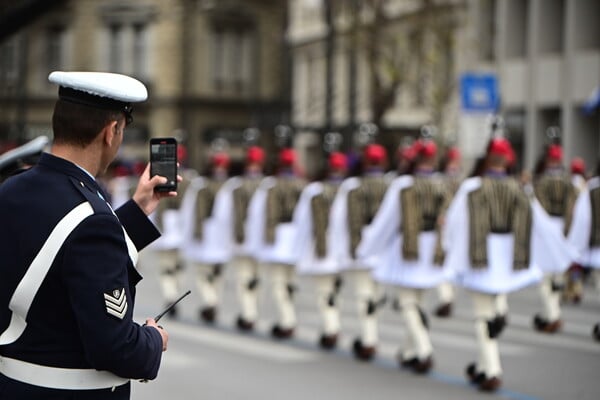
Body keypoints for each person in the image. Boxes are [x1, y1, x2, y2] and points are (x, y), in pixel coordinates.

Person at [0, 71, 172, 399]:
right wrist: (153, 339)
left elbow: (59, 249)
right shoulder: (93, 218)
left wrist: (136, 212)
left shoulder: (11, 189)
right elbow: (117, 348)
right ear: (111, 132)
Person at [359, 138, 452, 374]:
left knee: (407, 302)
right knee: (416, 301)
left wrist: (369, 248)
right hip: (432, 246)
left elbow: (387, 221)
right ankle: (409, 351)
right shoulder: (442, 184)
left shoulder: (404, 185)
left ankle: (424, 350)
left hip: (409, 247)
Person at [338, 143, 389, 361]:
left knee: (363, 293)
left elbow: (354, 220)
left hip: (365, 240)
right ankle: (373, 335)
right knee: (375, 293)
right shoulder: (389, 185)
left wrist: (354, 247)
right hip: (383, 243)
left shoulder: (356, 187)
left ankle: (369, 339)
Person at [295, 151, 349, 349]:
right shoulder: (348, 188)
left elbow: (302, 224)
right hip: (344, 247)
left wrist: (298, 251)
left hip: (323, 246)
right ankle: (334, 324)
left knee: (324, 291)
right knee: (335, 289)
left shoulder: (316, 190)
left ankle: (331, 327)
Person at [253, 147, 306, 339]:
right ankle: (290, 317)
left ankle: (287, 320)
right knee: (291, 282)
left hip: (279, 237)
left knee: (278, 283)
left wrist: (268, 237)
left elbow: (271, 214)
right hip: (296, 236)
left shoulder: (274, 186)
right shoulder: (302, 185)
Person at [179, 151, 234, 324]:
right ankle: (214, 299)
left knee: (203, 272)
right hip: (221, 233)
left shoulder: (202, 186)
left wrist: (194, 232)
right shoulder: (230, 186)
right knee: (216, 272)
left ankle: (210, 300)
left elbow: (193, 212)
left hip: (207, 232)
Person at [531, 143, 579, 333]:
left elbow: (538, 207)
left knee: (545, 277)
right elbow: (573, 207)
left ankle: (552, 314)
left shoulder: (542, 181)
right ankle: (554, 312)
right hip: (563, 228)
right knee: (558, 275)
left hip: (547, 227)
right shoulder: (569, 181)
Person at [229, 145, 267, 331]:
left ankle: (248, 313)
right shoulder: (267, 185)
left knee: (244, 277)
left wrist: (238, 235)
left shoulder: (240, 185)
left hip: (244, 237)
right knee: (255, 277)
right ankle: (253, 311)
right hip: (261, 240)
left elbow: (237, 213)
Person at [568, 160, 600, 341]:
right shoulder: (586, 186)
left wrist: (577, 246)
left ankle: (575, 288)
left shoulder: (591, 188)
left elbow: (582, 219)